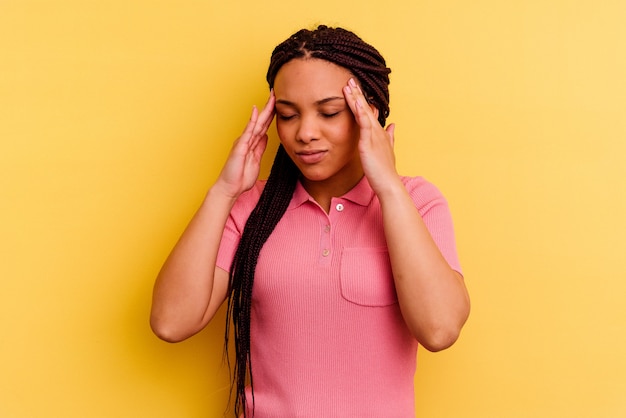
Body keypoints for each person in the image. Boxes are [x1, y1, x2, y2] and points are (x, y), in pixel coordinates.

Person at [150, 25, 470, 418]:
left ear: (368, 112)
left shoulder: (417, 203)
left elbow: (439, 330)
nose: (304, 133)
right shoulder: (251, 207)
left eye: (329, 112)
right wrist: (223, 191)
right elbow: (170, 321)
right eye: (287, 115)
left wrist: (387, 187)